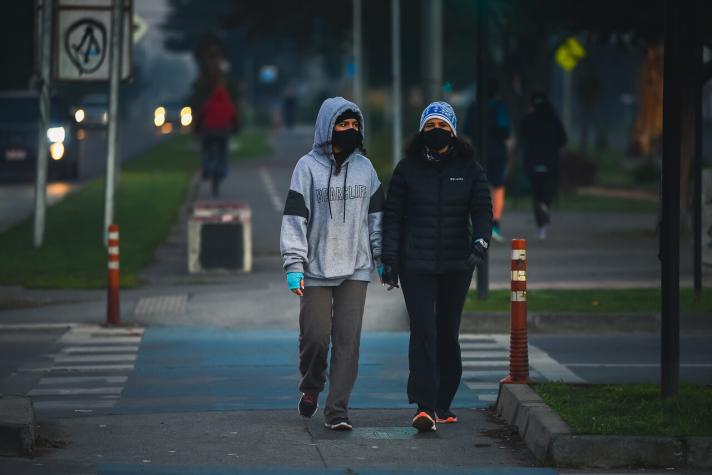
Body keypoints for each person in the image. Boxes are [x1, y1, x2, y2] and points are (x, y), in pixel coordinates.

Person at [382, 101, 492, 432]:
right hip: (415, 263)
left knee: (446, 333)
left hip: (457, 264)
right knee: (423, 331)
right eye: (430, 126)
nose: (436, 132)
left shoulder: (471, 169)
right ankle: (424, 406)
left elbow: (483, 210)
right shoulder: (406, 169)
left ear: (454, 132)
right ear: (421, 131)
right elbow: (392, 218)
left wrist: (481, 242)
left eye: (442, 127)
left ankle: (443, 402)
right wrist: (389, 260)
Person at [280, 97, 384, 431]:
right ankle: (312, 385)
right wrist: (294, 264)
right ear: (328, 128)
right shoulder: (306, 168)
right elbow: (295, 218)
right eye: (343, 125)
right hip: (315, 269)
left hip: (355, 268)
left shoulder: (366, 169)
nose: (350, 131)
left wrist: (383, 260)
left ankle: (337, 410)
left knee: (347, 342)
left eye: (355, 126)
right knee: (315, 337)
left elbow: (377, 219)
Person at [463, 77, 511, 242]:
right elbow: (505, 130)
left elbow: (466, 130)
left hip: (477, 152)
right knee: (498, 187)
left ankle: (477, 223)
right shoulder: (499, 107)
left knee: (477, 187)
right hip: (497, 151)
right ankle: (495, 224)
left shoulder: (473, 108)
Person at [191, 42, 239, 197]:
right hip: (223, 131)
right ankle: (222, 170)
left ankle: (206, 168)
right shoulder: (227, 102)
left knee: (206, 150)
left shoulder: (208, 101)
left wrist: (197, 128)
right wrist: (235, 127)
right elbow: (233, 117)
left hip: (209, 130)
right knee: (223, 152)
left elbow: (201, 115)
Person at [519, 92, 567, 240]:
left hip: (532, 162)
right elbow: (563, 139)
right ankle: (545, 206)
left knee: (537, 193)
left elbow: (521, 134)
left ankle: (540, 228)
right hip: (550, 162)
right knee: (548, 190)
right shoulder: (553, 119)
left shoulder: (528, 119)